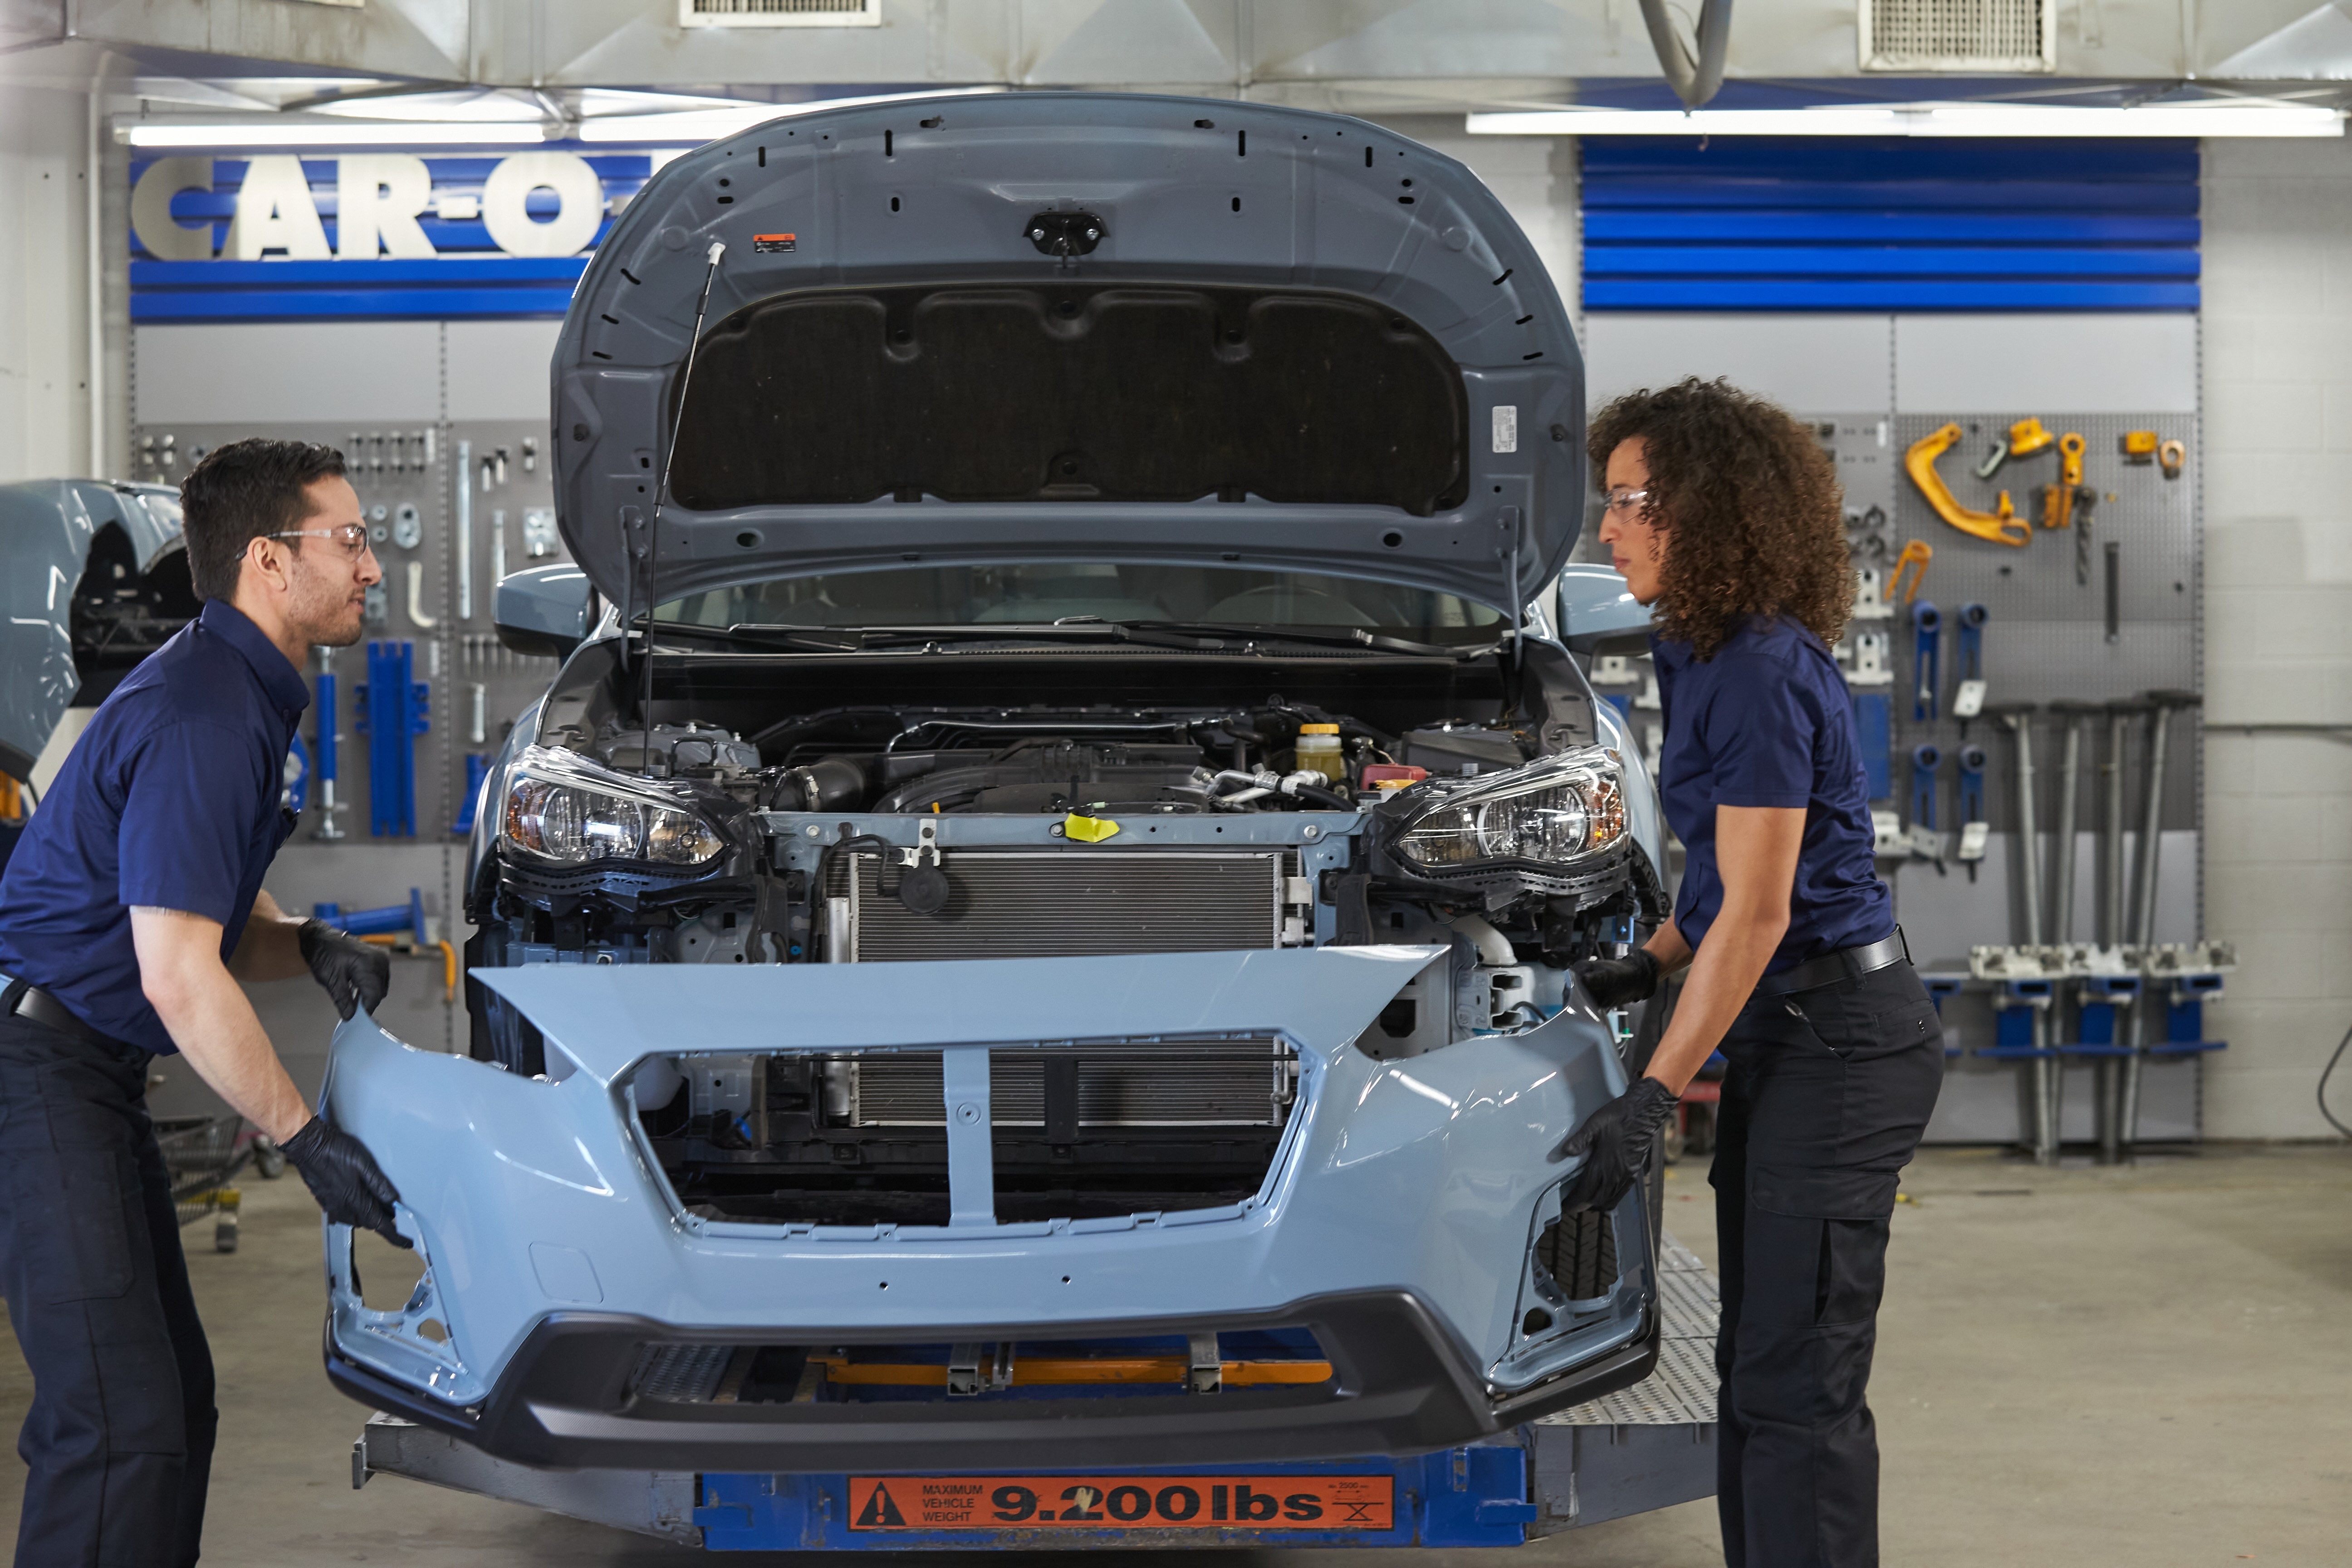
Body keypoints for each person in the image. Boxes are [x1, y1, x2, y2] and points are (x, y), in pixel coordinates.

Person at [1553, 379, 1945, 1568]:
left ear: (1706, 510)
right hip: (1789, 1036)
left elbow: (1765, 910)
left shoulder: (1765, 666)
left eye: (1631, 502)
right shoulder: (1698, 648)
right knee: (1754, 1368)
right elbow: (1728, 877)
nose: (1608, 528)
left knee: (1797, 1388)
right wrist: (1649, 961)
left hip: (1844, 1044)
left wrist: (1653, 1092)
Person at [0, 438, 411, 1568]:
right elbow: (177, 972)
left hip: (81, 1067)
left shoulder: (234, 689)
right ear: (270, 561)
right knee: (118, 1424)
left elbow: (188, 908)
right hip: (36, 1072)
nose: (371, 566)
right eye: (350, 540)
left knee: (171, 1404)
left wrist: (305, 942)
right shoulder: (207, 713)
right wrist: (304, 1140)